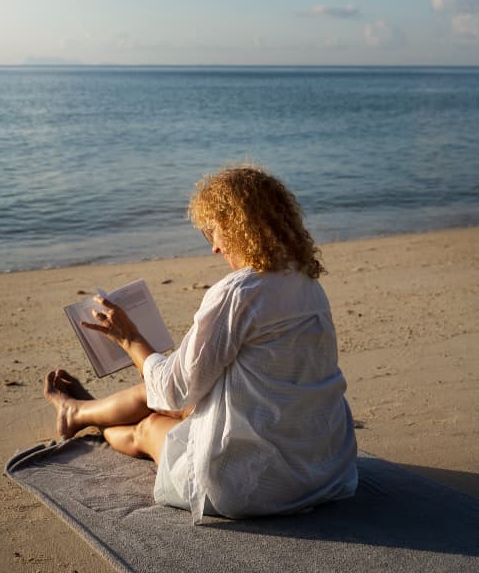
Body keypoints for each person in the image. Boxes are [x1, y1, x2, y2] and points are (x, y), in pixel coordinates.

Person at [44, 166, 358, 523]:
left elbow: (174, 390)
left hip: (251, 487)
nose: (215, 247)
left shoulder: (238, 292)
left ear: (240, 227)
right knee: (168, 400)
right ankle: (78, 412)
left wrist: (129, 337)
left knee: (147, 428)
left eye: (216, 232)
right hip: (322, 466)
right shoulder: (306, 283)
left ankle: (84, 417)